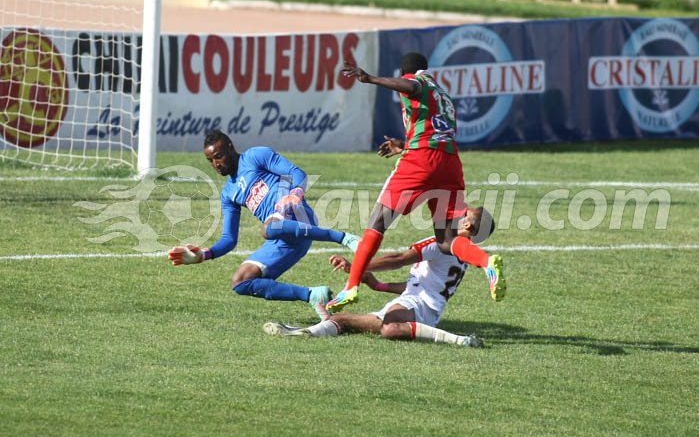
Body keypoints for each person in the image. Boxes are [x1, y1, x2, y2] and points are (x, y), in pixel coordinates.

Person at [327, 52, 506, 313]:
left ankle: (351, 286)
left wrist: (370, 78)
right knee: (446, 239)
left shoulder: (416, 81)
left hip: (422, 159)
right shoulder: (444, 96)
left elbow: (411, 86)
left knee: (378, 221)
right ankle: (486, 262)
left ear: (405, 72)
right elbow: (434, 130)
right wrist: (403, 146)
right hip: (450, 162)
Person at [168, 129, 360, 320]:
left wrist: (296, 193)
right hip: (283, 236)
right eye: (210, 161)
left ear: (230, 147)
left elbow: (296, 172)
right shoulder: (228, 193)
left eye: (218, 157)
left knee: (268, 228)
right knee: (241, 281)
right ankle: (313, 295)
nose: (216, 164)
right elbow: (229, 239)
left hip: (297, 216)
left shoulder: (255, 156)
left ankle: (344, 238)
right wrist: (204, 255)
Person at [263, 207, 496, 348]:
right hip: (422, 309)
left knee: (390, 329)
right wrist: (379, 285)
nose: (458, 214)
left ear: (467, 224)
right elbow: (423, 285)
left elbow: (398, 258)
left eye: (464, 214)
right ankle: (296, 332)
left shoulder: (444, 243)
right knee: (343, 320)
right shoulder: (462, 254)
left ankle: (460, 340)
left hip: (416, 307)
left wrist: (356, 268)